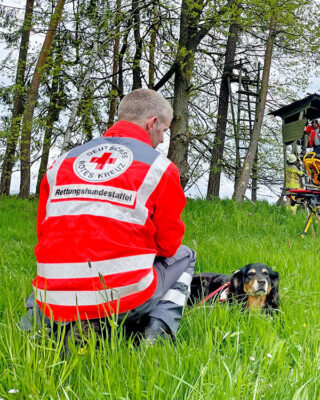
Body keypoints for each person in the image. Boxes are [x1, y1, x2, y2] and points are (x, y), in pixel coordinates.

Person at [20, 88, 195, 345]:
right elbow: (168, 246)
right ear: (152, 122)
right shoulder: (160, 168)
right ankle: (155, 335)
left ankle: (37, 327)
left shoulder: (62, 162)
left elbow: (45, 233)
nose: (160, 140)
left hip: (52, 295)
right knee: (186, 255)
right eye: (163, 132)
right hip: (122, 299)